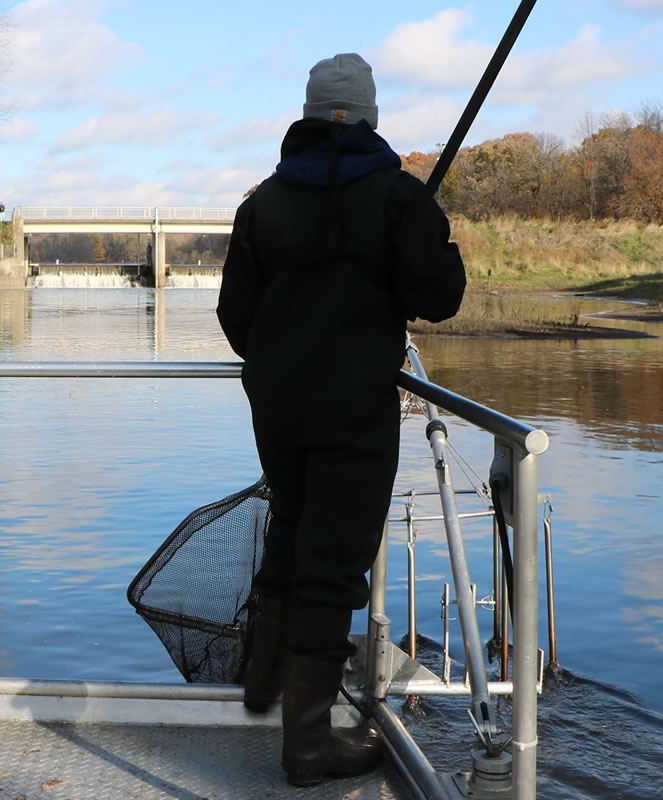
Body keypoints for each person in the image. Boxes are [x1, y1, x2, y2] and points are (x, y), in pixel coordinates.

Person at [216, 53, 465, 787]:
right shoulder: (397, 196)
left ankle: (263, 680)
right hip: (354, 402)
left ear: (309, 112)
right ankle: (308, 744)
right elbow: (438, 295)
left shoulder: (261, 201)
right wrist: (431, 238)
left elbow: (236, 314)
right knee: (334, 558)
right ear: (369, 116)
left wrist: (281, 357)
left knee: (293, 522)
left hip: (278, 402)